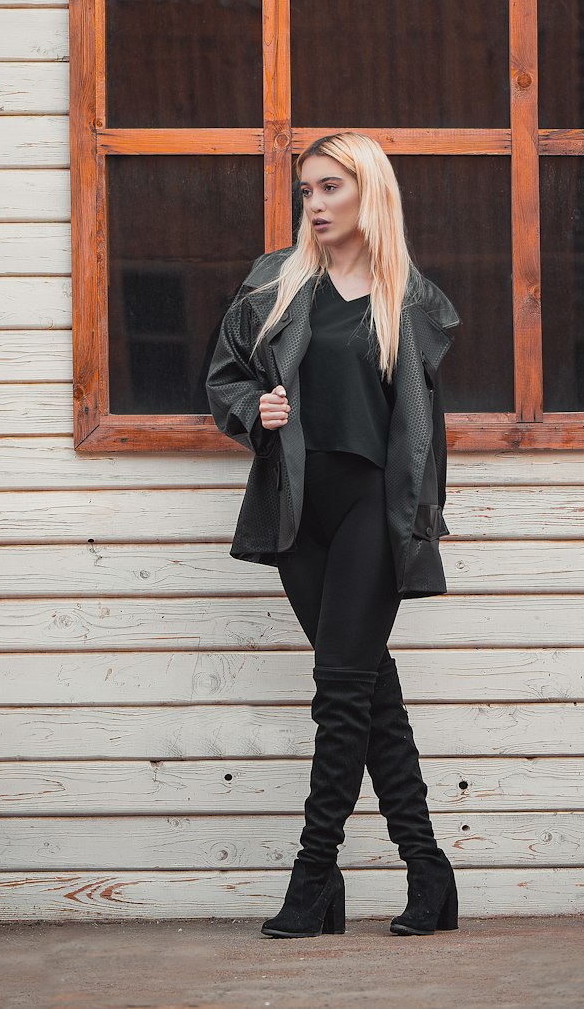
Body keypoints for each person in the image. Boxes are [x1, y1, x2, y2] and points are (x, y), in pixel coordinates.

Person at [206, 131, 461, 940]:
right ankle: (428, 869)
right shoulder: (273, 284)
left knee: (341, 693)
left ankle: (313, 876)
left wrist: (418, 524)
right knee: (364, 686)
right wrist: (257, 410)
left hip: (371, 510)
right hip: (299, 509)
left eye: (327, 189)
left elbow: (423, 434)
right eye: (306, 192)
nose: (312, 205)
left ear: (366, 194)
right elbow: (225, 379)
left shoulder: (409, 300)